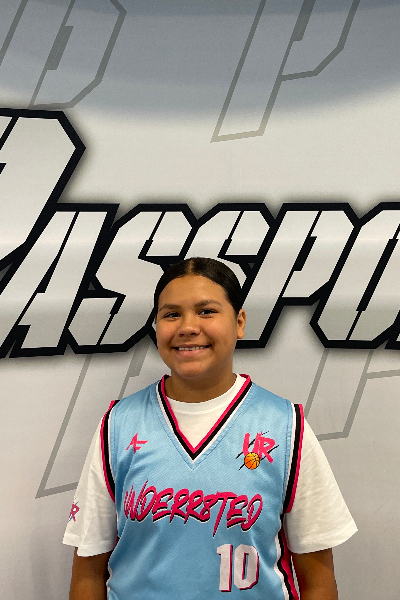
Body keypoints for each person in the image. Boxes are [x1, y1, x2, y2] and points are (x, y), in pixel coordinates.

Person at [64, 257, 357, 600]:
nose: (188, 327)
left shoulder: (284, 426)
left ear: (239, 322)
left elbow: (318, 581)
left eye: (206, 311)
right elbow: (88, 572)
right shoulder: (118, 425)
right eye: (171, 314)